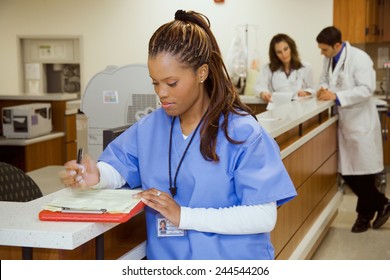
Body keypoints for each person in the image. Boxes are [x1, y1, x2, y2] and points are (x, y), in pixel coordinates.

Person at [59, 10, 296, 259]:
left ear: (202, 73)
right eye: (155, 83)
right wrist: (97, 176)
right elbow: (122, 166)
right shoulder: (151, 127)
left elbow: (263, 216)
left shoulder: (242, 132)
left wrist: (184, 216)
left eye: (171, 83)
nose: (161, 93)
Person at [316, 26, 390, 233]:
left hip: (360, 123)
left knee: (362, 174)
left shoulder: (360, 58)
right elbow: (324, 79)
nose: (322, 53)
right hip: (345, 123)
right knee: (347, 171)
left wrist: (337, 97)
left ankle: (364, 217)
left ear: (337, 45)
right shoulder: (329, 59)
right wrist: (321, 89)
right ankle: (382, 203)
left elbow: (366, 89)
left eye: (324, 50)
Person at [254, 33, 314, 110]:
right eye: (279, 52)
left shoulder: (306, 67)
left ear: (291, 48)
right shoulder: (267, 68)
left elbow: (312, 89)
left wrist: (306, 92)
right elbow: (259, 86)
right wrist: (263, 93)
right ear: (275, 54)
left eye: (286, 49)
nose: (284, 54)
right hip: (276, 109)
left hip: (299, 109)